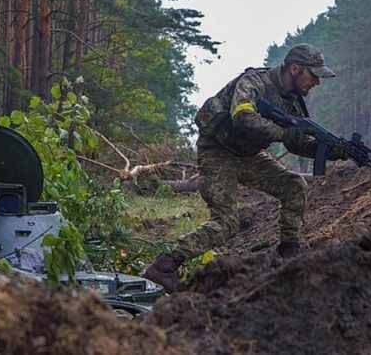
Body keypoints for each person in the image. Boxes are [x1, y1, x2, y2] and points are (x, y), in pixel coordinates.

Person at [142, 43, 346, 292]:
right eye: (313, 75)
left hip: (248, 155)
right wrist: (283, 132)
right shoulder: (254, 82)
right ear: (295, 69)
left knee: (293, 186)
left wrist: (334, 151)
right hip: (217, 151)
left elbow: (297, 144)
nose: (316, 82)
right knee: (227, 223)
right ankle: (163, 267)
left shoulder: (292, 103)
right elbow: (243, 117)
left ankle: (289, 253)